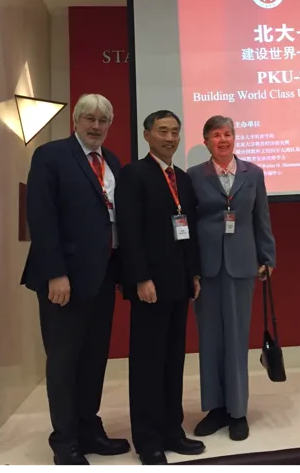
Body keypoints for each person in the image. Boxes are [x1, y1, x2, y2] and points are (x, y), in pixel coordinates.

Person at [20, 94, 130, 470]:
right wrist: (56, 273)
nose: (96, 126)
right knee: (64, 363)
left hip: (101, 279)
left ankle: (88, 428)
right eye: (89, 119)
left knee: (93, 359)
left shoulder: (111, 161)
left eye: (103, 120)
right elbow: (41, 217)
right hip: (63, 282)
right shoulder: (51, 156)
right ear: (76, 121)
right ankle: (64, 443)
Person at [115, 110, 205, 466]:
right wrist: (140, 278)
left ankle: (172, 430)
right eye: (162, 131)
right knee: (147, 363)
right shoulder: (133, 174)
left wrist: (194, 274)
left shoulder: (181, 178)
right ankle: (148, 439)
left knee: (173, 361)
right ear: (146, 135)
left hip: (179, 284)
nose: (169, 138)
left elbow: (190, 231)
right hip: (149, 284)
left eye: (175, 132)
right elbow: (129, 230)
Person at [187, 115, 276, 441]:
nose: (222, 140)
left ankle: (237, 411)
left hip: (242, 265)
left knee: (237, 339)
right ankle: (215, 408)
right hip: (207, 269)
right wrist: (190, 266)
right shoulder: (195, 176)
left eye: (227, 134)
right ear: (206, 141)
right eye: (215, 135)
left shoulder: (253, 173)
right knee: (209, 339)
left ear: (235, 138)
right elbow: (190, 225)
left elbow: (260, 217)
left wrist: (267, 256)